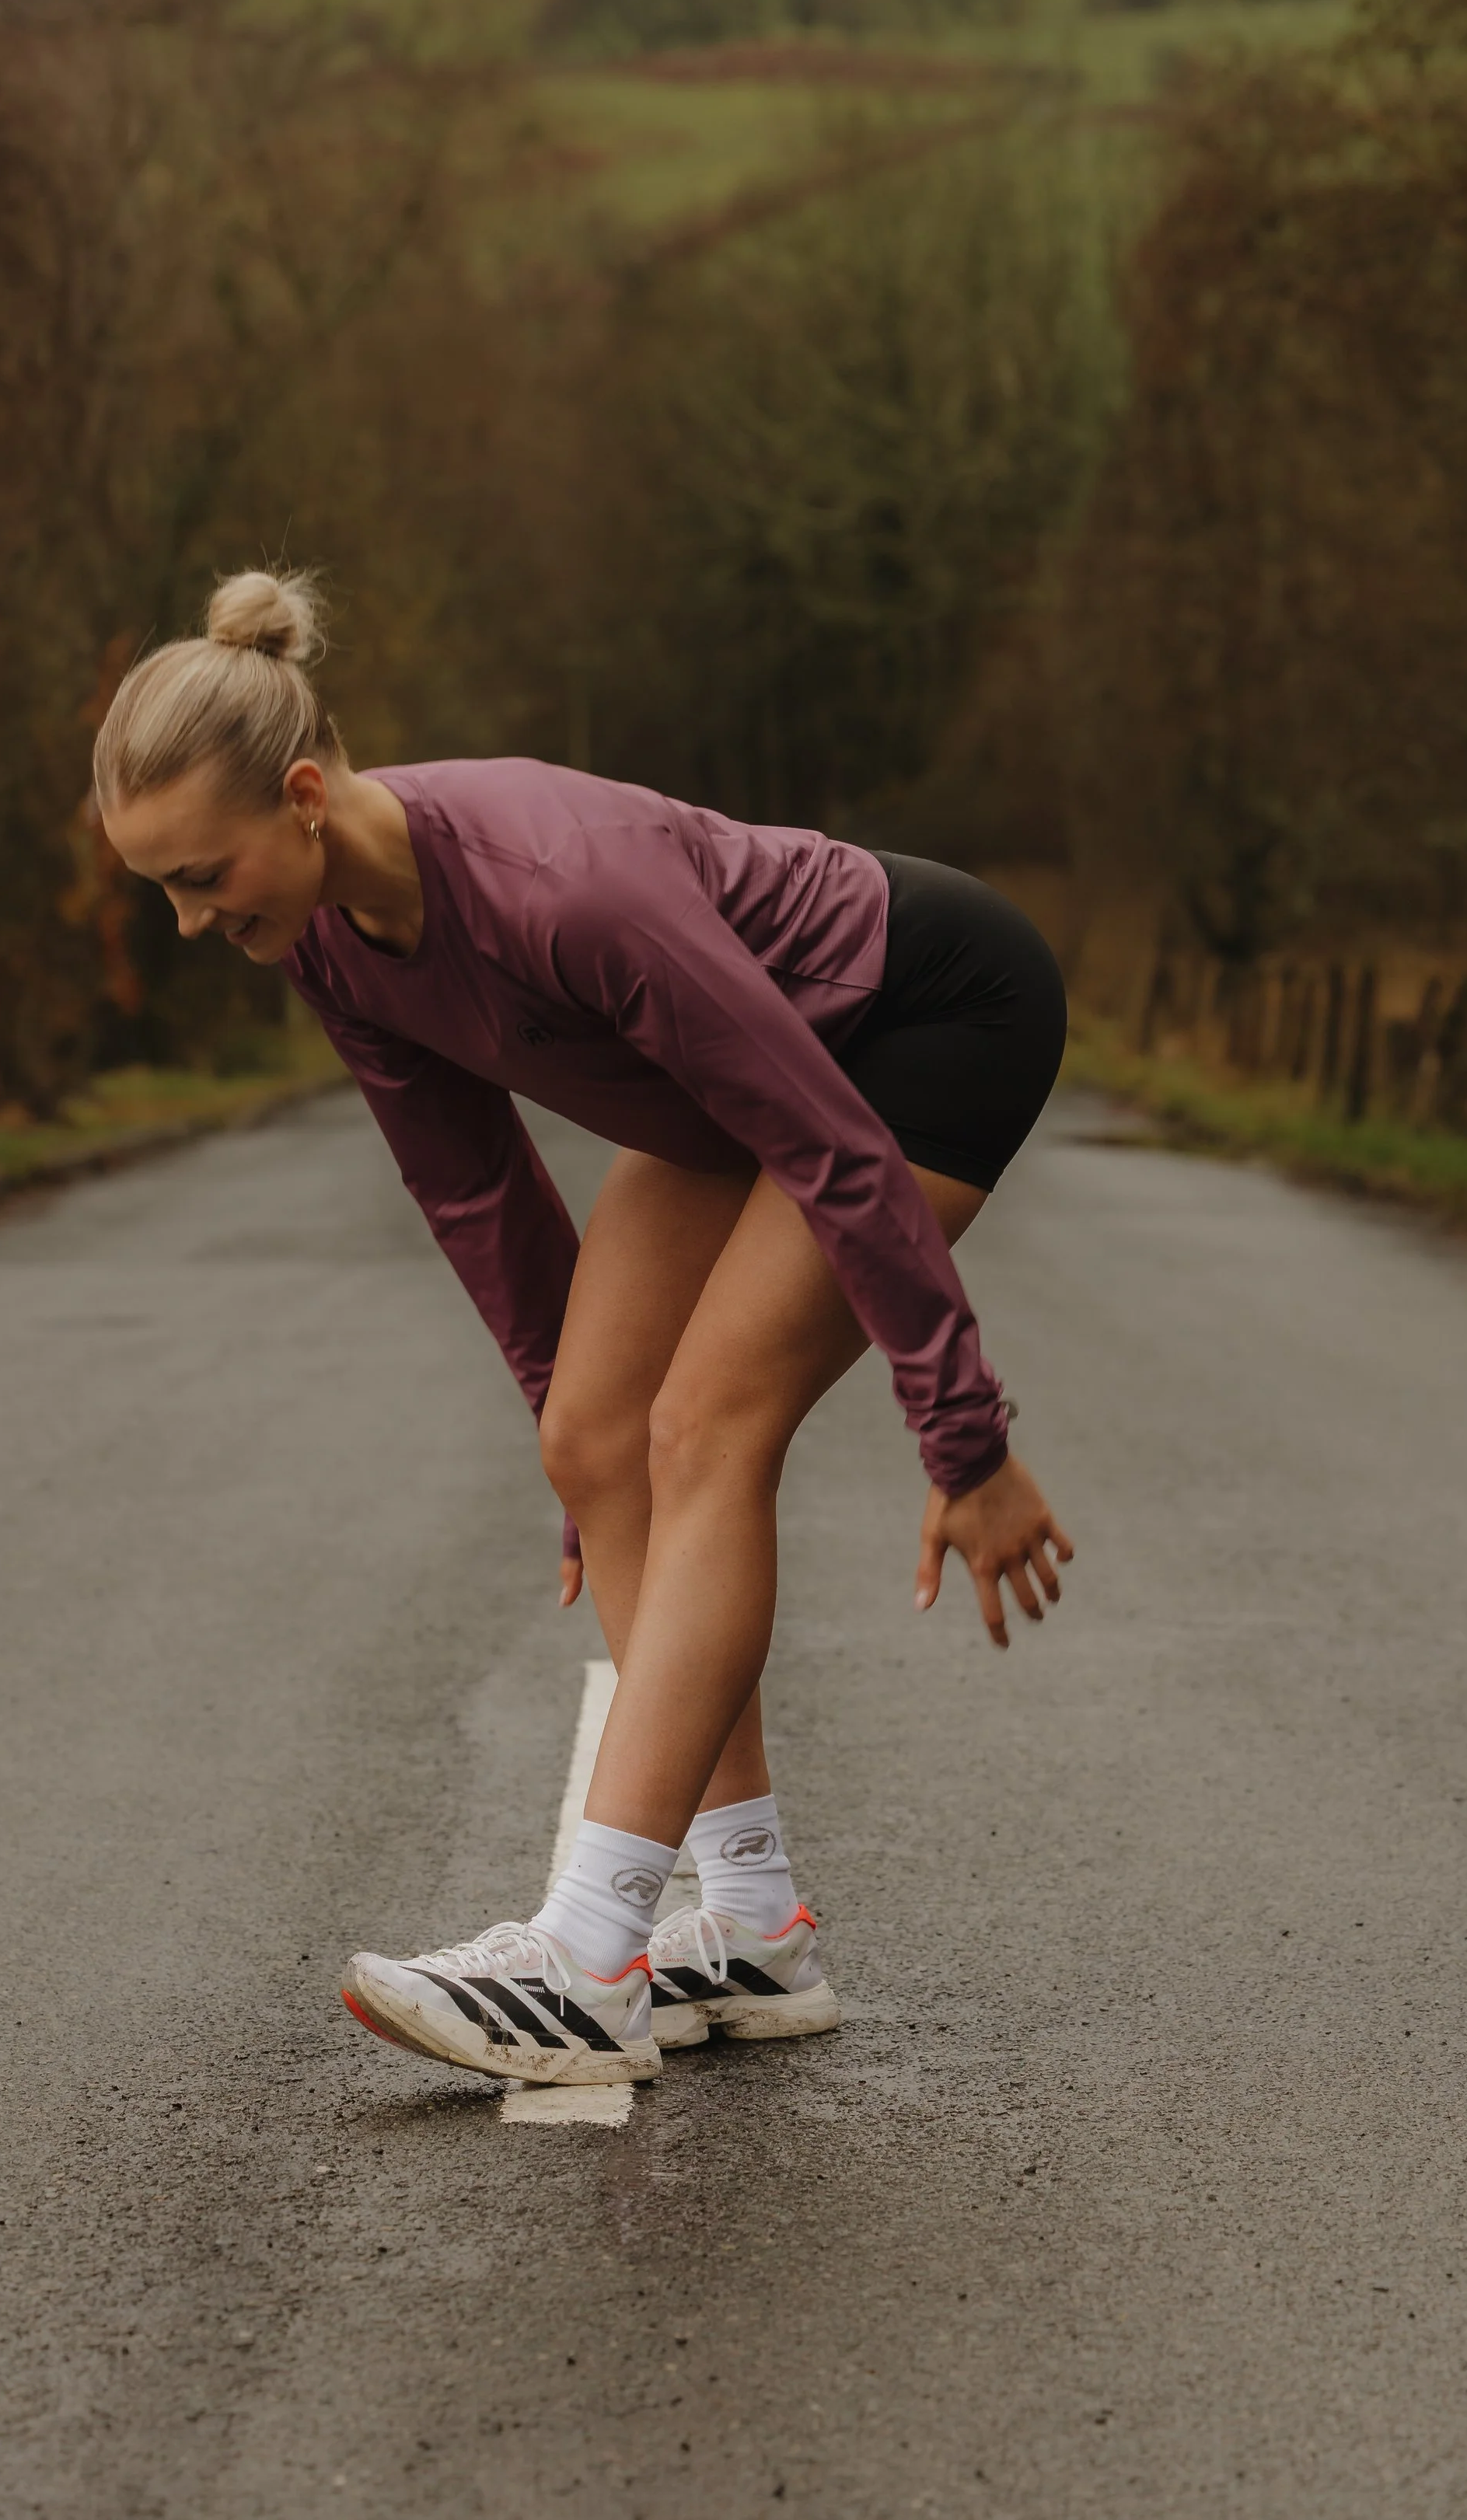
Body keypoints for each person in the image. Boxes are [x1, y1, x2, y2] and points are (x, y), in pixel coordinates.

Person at [96, 571, 1074, 2089]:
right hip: (728, 1075)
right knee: (605, 1437)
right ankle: (751, 1927)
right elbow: (476, 1196)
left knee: (704, 1429)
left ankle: (588, 1956)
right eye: (158, 888)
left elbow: (831, 1148)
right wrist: (576, 1453)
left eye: (199, 874)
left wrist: (966, 1438)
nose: (185, 920)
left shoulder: (566, 888)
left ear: (301, 798)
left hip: (921, 1016)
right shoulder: (327, 941)